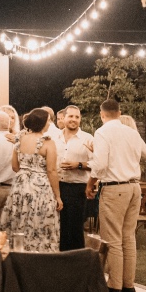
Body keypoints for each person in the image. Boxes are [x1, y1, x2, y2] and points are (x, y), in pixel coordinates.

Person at [87, 99, 146, 292]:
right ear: (120, 112)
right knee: (128, 237)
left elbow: (100, 164)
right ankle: (129, 285)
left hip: (114, 188)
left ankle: (115, 285)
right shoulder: (131, 132)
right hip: (134, 187)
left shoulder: (102, 132)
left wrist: (90, 183)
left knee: (113, 238)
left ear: (102, 114)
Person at [0, 109, 62, 252]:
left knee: (18, 220)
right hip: (40, 189)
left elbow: (14, 166)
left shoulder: (20, 139)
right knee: (39, 223)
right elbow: (52, 171)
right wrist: (57, 196)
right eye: (48, 120)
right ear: (43, 123)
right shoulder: (48, 143)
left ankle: (17, 252)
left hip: (20, 186)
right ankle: (38, 254)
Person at [57, 105, 95, 250]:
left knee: (75, 228)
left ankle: (77, 262)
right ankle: (59, 263)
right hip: (57, 187)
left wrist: (78, 165)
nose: (74, 120)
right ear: (64, 118)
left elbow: (96, 163)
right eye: (71, 116)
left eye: (77, 117)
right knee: (59, 227)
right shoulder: (54, 138)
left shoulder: (88, 139)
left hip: (77, 188)